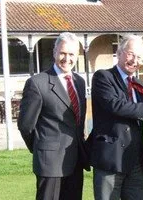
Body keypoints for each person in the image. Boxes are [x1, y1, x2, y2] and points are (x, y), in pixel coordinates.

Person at [87, 35, 143, 200]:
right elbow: (116, 105)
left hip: (136, 161)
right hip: (110, 160)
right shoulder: (103, 77)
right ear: (119, 53)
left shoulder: (139, 86)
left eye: (139, 57)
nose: (134, 60)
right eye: (131, 54)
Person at [17, 32, 89, 200]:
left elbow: (77, 121)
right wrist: (42, 147)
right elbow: (26, 125)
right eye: (63, 53)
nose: (67, 58)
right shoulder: (37, 83)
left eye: (71, 54)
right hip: (49, 163)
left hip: (76, 160)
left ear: (77, 56)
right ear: (54, 52)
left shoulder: (79, 81)